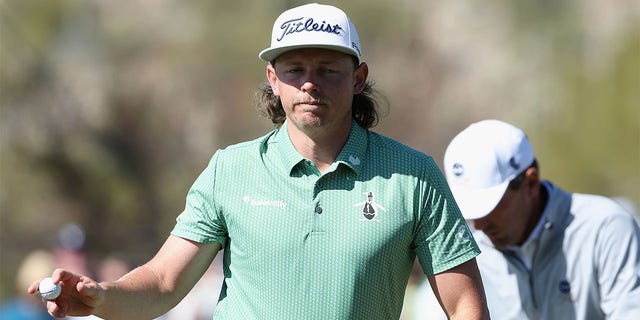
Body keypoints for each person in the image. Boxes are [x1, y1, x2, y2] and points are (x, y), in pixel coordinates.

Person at [28, 4, 490, 319]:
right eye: (295, 70)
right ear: (273, 79)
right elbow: (164, 281)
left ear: (358, 77)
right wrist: (100, 298)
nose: (310, 84)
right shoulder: (230, 170)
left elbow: (466, 305)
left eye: (328, 69)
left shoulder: (413, 175)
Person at [414, 119, 640, 319]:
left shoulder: (605, 227)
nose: (479, 225)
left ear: (531, 183)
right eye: (470, 211)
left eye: (488, 207)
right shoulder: (467, 248)